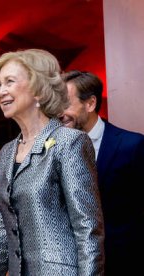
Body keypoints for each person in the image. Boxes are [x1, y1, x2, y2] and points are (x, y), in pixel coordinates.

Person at [0, 49, 105, 276]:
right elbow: (0, 231)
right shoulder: (7, 152)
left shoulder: (69, 142)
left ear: (38, 90)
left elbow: (88, 229)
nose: (0, 93)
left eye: (9, 82)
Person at [60, 70, 144, 276]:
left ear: (90, 103)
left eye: (66, 104)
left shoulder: (132, 145)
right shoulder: (54, 150)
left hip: (124, 264)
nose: (59, 112)